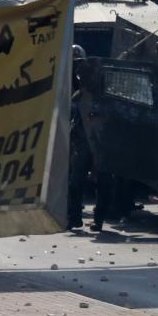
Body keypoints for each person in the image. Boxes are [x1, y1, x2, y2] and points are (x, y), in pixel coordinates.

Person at [68, 45, 88, 230]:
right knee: (72, 180)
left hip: (86, 139)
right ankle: (72, 215)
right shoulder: (65, 80)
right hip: (72, 136)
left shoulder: (87, 83)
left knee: (76, 180)